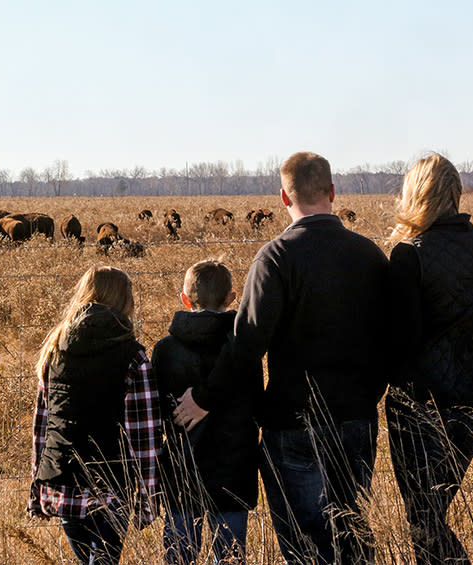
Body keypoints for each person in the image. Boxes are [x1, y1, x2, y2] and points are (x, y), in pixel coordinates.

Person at [174, 151, 390, 564]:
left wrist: (204, 398)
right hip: (357, 421)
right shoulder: (370, 256)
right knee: (350, 538)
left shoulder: (276, 258)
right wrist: (367, 395)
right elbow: (391, 339)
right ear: (332, 191)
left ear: (282, 198)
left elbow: (246, 344)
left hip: (294, 422)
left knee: (306, 547)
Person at [385, 154, 473, 564]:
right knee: (431, 515)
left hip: (418, 410)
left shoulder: (410, 255)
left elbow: (399, 347)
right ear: (455, 194)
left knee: (423, 520)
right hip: (471, 407)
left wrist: (402, 394)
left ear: (415, 194)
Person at [27, 265, 162, 564]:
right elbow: (145, 436)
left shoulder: (54, 350)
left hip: (60, 479)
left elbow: (43, 424)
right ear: (125, 301)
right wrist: (147, 498)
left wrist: (39, 484)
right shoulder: (135, 357)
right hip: (111, 485)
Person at [153, 260, 262, 564]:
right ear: (231, 298)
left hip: (182, 470)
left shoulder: (165, 350)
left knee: (178, 555)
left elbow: (160, 409)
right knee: (229, 555)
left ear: (184, 299)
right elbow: (256, 403)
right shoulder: (242, 351)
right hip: (234, 469)